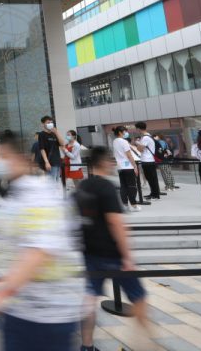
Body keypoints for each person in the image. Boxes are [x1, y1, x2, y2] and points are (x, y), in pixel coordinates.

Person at [0, 137, 83, 351]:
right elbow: (15, 225)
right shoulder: (17, 194)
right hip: (20, 309)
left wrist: (1, 294)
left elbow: (39, 251)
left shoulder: (38, 193)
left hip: (48, 314)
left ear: (20, 160)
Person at [76, 146, 150, 351]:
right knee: (139, 298)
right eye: (110, 160)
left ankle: (86, 346)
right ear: (102, 162)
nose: (112, 163)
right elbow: (116, 223)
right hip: (113, 254)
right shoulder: (106, 187)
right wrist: (127, 256)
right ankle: (146, 344)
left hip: (90, 252)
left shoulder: (82, 186)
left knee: (89, 299)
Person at [112, 126, 140, 212]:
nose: (126, 133)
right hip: (128, 167)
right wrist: (135, 166)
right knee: (132, 186)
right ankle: (134, 205)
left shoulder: (115, 141)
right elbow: (129, 155)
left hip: (120, 166)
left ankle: (125, 205)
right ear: (120, 132)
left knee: (123, 186)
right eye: (125, 131)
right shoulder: (124, 142)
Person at [135, 121, 161, 200]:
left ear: (139, 129)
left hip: (148, 160)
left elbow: (140, 149)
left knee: (151, 178)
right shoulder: (148, 136)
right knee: (151, 178)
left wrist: (137, 144)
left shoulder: (145, 138)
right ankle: (153, 193)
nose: (136, 130)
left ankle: (155, 195)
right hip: (148, 160)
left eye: (136, 128)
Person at [37, 116, 64, 182]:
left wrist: (56, 132)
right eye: (48, 122)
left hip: (57, 161)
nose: (50, 124)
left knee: (57, 181)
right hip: (50, 162)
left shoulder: (54, 134)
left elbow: (62, 143)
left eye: (51, 122)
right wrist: (46, 162)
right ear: (43, 124)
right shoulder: (42, 134)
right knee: (52, 182)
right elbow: (42, 149)